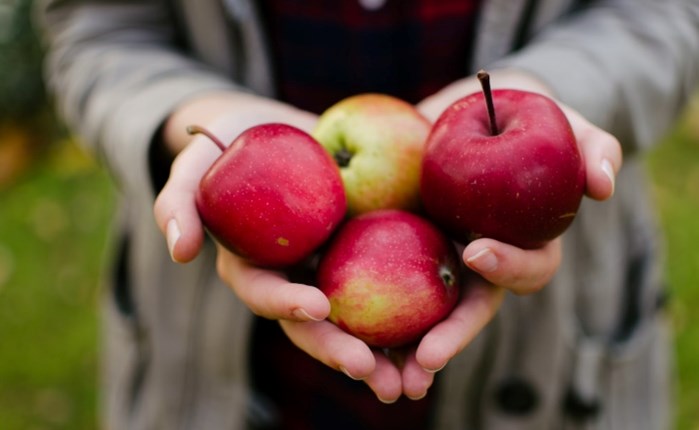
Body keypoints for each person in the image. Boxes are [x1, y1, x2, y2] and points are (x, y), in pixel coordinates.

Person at [38, 0, 698, 429]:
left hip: (547, 349)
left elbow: (659, 17)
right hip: (222, 349)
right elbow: (99, 30)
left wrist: (552, 93)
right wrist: (194, 119)